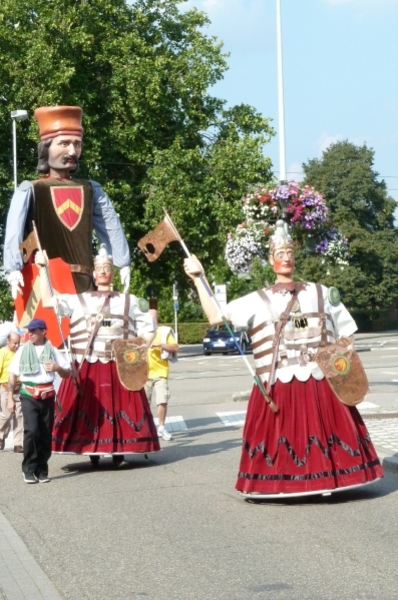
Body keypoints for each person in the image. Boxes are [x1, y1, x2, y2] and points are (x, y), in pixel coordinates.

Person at [183, 221, 383, 498]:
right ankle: (285, 483)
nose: (286, 258)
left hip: (320, 380)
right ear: (270, 259)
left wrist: (341, 359)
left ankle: (330, 479)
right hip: (278, 381)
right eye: (279, 253)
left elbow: (347, 334)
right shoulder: (255, 300)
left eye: (290, 252)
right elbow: (216, 317)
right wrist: (198, 278)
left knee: (324, 431)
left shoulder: (321, 292)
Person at [35, 245, 160, 466]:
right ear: (93, 273)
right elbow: (48, 301)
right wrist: (42, 269)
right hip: (87, 364)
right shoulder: (77, 299)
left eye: (107, 268)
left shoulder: (129, 300)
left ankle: (119, 451)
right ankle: (91, 450)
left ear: (112, 272)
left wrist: (139, 350)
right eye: (99, 268)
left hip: (118, 363)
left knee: (119, 406)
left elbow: (149, 328)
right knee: (88, 408)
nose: (103, 272)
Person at [4, 105, 130, 298]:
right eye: (64, 143)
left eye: (77, 144)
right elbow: (14, 232)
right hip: (44, 284)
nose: (72, 150)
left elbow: (110, 225)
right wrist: (13, 270)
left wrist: (123, 263)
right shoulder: (30, 190)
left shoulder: (91, 189)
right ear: (46, 147)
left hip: (86, 285)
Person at [7, 319, 71, 484]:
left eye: (34, 331)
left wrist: (57, 368)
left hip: (47, 396)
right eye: (29, 331)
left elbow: (66, 374)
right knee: (32, 431)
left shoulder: (53, 351)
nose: (31, 334)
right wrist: (10, 398)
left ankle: (42, 469)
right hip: (28, 395)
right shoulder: (22, 351)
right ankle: (28, 468)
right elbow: (13, 375)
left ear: (43, 331)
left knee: (45, 433)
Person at [145, 310, 178, 441]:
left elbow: (175, 348)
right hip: (143, 374)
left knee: (162, 400)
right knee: (144, 403)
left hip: (160, 372)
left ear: (156, 319)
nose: (149, 321)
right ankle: (146, 428)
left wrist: (160, 344)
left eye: (152, 318)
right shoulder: (142, 333)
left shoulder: (163, 332)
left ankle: (161, 427)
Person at [0, 332, 23, 452]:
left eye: (19, 342)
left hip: (18, 387)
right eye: (15, 343)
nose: (17, 345)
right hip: (4, 387)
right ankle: (0, 435)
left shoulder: (19, 353)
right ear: (8, 341)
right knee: (6, 414)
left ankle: (18, 443)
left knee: (19, 415)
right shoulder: (2, 353)